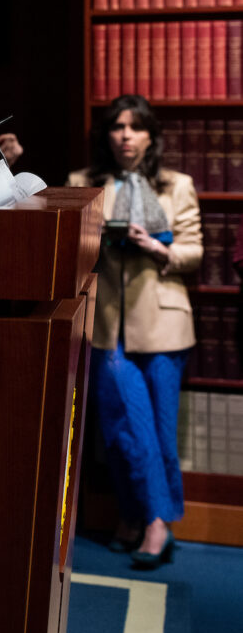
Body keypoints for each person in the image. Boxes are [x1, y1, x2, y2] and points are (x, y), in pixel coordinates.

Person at [67, 95, 200, 569]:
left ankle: (149, 522)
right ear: (106, 136)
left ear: (150, 135)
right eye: (117, 126)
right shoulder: (83, 184)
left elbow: (193, 251)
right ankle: (143, 517)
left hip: (164, 324)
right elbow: (69, 251)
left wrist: (156, 246)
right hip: (107, 327)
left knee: (159, 431)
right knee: (123, 430)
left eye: (135, 127)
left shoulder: (176, 185)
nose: (125, 135)